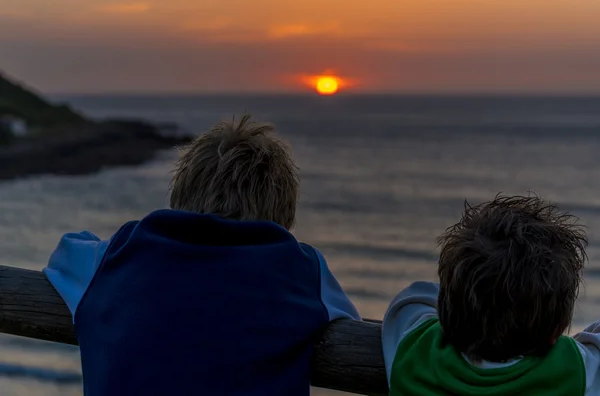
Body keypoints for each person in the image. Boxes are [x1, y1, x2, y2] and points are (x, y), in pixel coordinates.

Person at [43, 114, 360, 396]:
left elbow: (66, 252)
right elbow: (353, 327)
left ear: (180, 192)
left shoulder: (115, 258)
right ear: (283, 213)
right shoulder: (303, 270)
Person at [382, 194, 600, 395]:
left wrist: (461, 297)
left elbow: (413, 299)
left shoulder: (416, 353)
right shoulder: (573, 372)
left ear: (446, 316)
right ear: (556, 332)